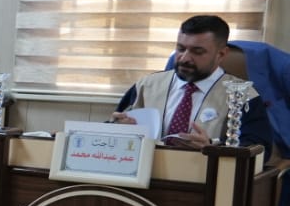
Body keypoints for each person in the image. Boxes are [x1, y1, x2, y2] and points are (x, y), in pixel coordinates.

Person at [111, 15, 271, 150]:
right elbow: (111, 131)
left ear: (221, 54)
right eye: (180, 49)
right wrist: (119, 129)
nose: (185, 58)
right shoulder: (146, 86)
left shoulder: (243, 95)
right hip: (147, 174)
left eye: (197, 51)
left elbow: (258, 149)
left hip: (207, 175)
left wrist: (211, 147)